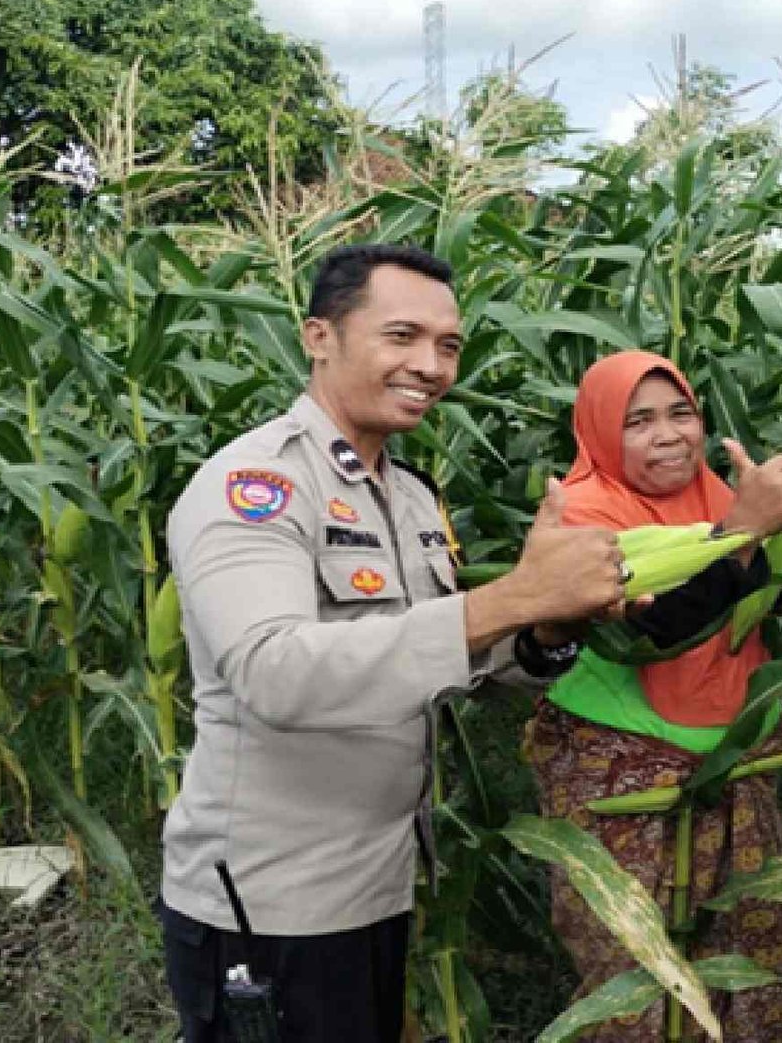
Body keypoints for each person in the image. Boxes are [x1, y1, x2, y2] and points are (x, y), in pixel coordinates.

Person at [158, 244, 627, 1042]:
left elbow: (445, 654)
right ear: (319, 336)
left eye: (448, 346)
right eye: (402, 336)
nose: (431, 365)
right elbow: (275, 674)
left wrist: (546, 626)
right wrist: (511, 594)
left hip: (380, 884)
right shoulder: (255, 488)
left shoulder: (408, 497)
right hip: (272, 903)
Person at [526, 350, 782, 1042]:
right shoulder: (581, 516)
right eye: (638, 421)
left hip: (736, 759)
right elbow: (648, 633)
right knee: (637, 976)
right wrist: (741, 532)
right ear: (598, 432)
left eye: (682, 413)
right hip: (618, 773)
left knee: (751, 972)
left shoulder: (724, 494)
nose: (669, 434)